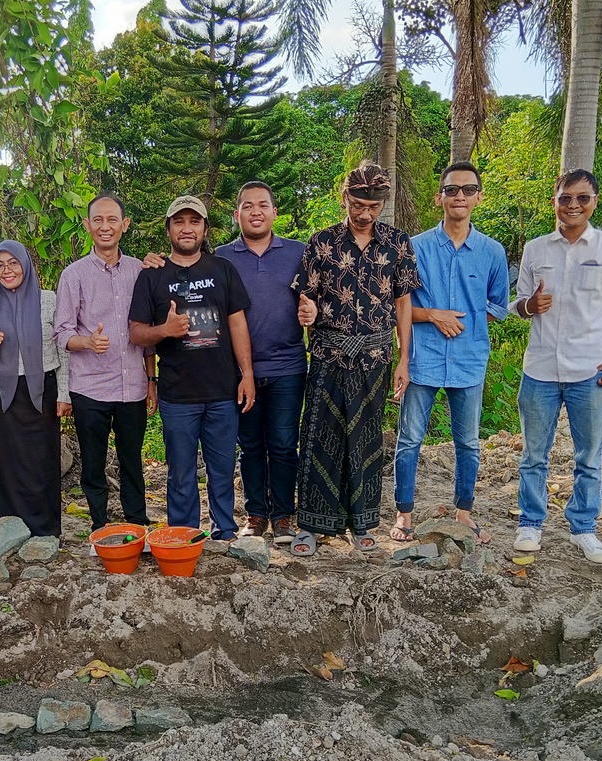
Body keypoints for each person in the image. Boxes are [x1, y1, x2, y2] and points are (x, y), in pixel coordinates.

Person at [510, 169, 602, 564]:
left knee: (589, 457)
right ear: (555, 202)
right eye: (566, 198)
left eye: (582, 198)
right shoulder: (536, 249)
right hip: (541, 368)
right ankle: (530, 522)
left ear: (594, 202)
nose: (573, 206)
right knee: (534, 454)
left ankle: (584, 528)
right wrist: (531, 306)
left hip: (591, 370)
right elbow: (518, 304)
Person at [291, 161, 419, 556]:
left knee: (366, 442)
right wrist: (306, 311)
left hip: (377, 357)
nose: (365, 213)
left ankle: (362, 523)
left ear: (384, 203)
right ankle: (312, 525)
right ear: (344, 198)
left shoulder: (397, 243)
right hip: (329, 355)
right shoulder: (322, 242)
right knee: (319, 438)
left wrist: (404, 359)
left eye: (374, 206)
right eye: (358, 204)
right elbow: (305, 297)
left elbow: (403, 303)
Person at [391, 163, 509, 544]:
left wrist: (469, 324)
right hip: (423, 359)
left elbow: (497, 306)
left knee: (468, 442)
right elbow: (401, 304)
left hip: (469, 361)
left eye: (468, 189)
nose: (460, 196)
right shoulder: (415, 247)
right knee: (409, 440)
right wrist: (433, 316)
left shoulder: (492, 252)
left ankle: (464, 513)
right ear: (439, 196)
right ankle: (403, 515)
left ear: (479, 197)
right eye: (452, 189)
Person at [129, 195, 255, 542]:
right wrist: (164, 331)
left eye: (194, 222)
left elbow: (238, 324)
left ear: (204, 228)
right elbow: (136, 333)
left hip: (222, 392)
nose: (187, 228)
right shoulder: (151, 276)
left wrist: (247, 375)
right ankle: (183, 534)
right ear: (168, 228)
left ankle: (224, 531)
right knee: (181, 472)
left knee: (222, 469)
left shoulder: (222, 270)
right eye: (179, 222)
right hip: (177, 395)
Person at [53, 194, 156, 534]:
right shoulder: (74, 275)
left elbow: (146, 330)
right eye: (98, 220)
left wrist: (151, 380)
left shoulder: (140, 270)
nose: (105, 226)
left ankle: (137, 523)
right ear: (87, 225)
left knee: (131, 460)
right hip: (90, 386)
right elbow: (62, 332)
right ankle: (100, 525)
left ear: (124, 225)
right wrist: (87, 342)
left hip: (132, 386)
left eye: (112, 220)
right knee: (93, 463)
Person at [216, 182, 306, 544]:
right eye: (248, 206)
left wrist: (312, 307)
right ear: (236, 214)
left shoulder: (298, 252)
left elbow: (318, 294)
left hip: (288, 365)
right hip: (238, 371)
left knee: (284, 445)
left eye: (263, 205)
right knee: (250, 445)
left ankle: (283, 515)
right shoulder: (221, 257)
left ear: (274, 212)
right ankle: (256, 513)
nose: (256, 211)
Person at [0, 241, 71, 537]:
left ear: (25, 265)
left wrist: (65, 393)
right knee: (7, 462)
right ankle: (10, 529)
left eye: (13, 263)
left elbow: (63, 350)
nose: (6, 270)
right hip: (3, 393)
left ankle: (45, 531)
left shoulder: (49, 300)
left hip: (43, 391)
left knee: (43, 461)